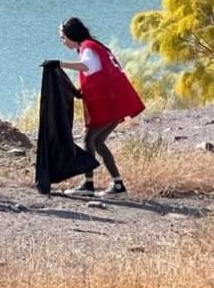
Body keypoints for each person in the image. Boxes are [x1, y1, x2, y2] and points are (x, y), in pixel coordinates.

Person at [45, 17, 145, 196]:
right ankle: (117, 185)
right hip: (114, 104)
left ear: (70, 34)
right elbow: (95, 73)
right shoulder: (92, 46)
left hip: (107, 105)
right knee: (97, 142)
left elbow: (87, 66)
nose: (62, 41)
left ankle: (88, 185)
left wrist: (60, 64)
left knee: (87, 139)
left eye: (62, 37)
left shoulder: (88, 48)